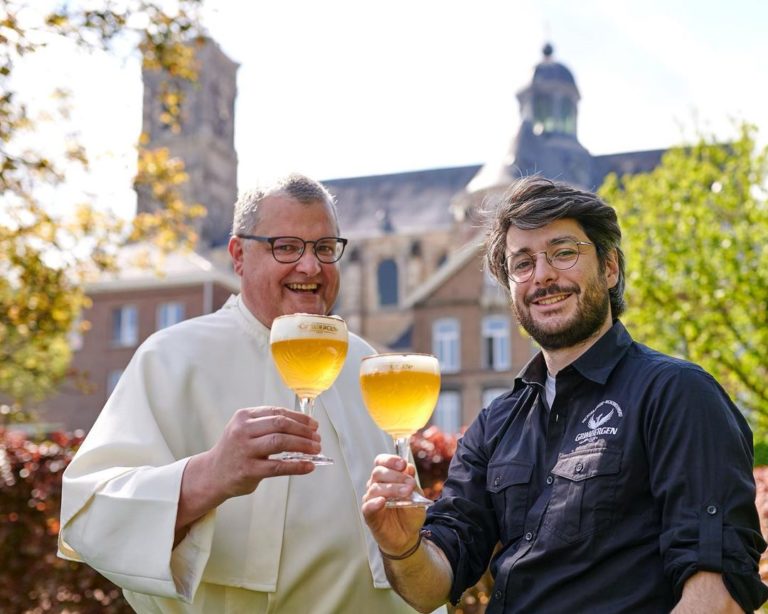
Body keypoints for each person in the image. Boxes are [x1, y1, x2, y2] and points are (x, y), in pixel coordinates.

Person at [362, 176, 768, 613]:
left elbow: (717, 596)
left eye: (564, 252)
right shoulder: (496, 424)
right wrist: (402, 546)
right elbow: (430, 588)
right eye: (522, 263)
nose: (543, 275)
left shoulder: (677, 394)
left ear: (609, 268)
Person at [59, 173, 425, 613]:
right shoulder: (171, 357)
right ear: (238, 255)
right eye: (286, 247)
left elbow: (408, 539)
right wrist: (209, 474)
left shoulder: (368, 363)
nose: (310, 267)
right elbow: (90, 512)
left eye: (325, 249)